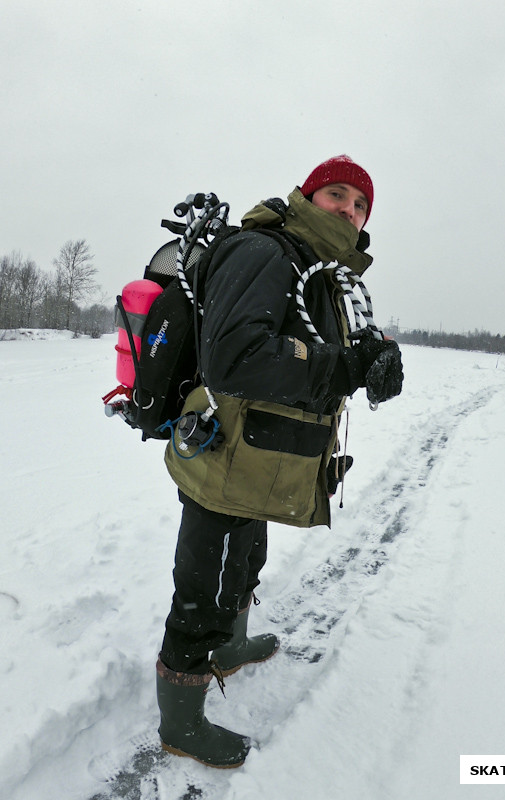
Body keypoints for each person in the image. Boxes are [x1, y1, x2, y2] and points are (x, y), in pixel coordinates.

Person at [156, 155, 404, 768]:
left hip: (259, 464)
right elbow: (236, 356)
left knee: (247, 561)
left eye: (360, 205)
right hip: (221, 460)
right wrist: (341, 368)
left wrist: (372, 357)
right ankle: (180, 721)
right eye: (337, 196)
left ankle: (232, 646)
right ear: (309, 196)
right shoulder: (266, 251)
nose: (349, 210)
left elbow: (311, 346)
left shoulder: (324, 271)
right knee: (200, 594)